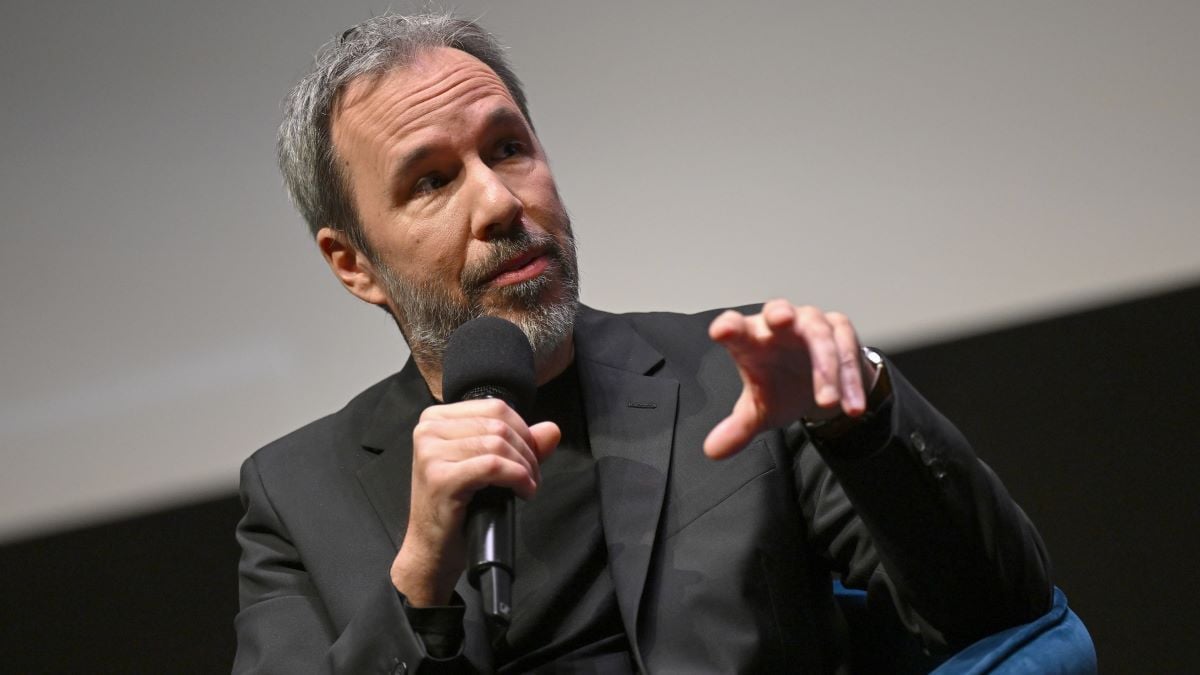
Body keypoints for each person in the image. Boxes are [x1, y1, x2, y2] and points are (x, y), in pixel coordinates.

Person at [235, 13, 1052, 674]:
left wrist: (864, 418)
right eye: (432, 181)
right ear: (354, 264)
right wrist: (418, 578)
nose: (498, 201)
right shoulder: (300, 495)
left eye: (508, 148)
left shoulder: (737, 373)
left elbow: (998, 612)